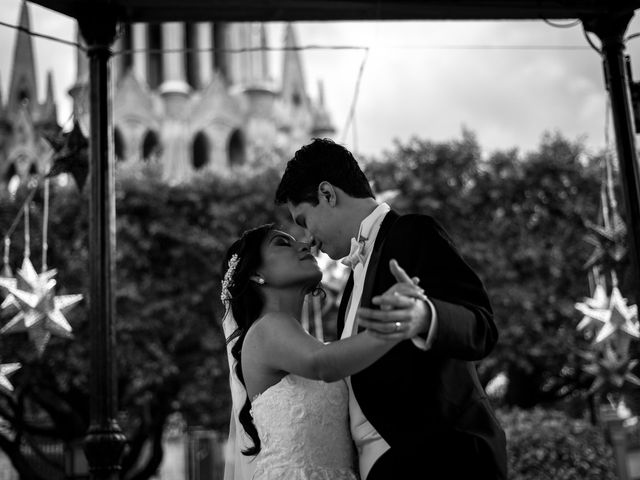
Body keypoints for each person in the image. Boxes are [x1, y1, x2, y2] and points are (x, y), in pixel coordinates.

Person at [275, 138, 507, 479]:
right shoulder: (352, 283)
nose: (307, 239)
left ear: (327, 194)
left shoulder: (412, 233)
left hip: (445, 462)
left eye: (304, 221)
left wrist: (426, 316)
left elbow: (482, 327)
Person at [221, 224, 424, 480]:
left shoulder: (302, 340)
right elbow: (322, 364)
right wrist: (397, 322)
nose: (304, 245)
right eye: (283, 243)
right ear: (255, 274)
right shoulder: (266, 328)